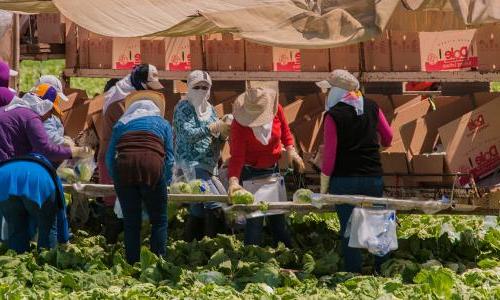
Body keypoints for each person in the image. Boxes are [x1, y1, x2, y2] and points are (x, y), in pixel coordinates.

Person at [317, 70, 393, 274]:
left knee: (349, 230)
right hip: (372, 177)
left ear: (336, 91)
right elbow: (388, 137)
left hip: (344, 181)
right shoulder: (372, 107)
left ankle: (354, 274)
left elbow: (330, 155)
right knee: (377, 225)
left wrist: (324, 184)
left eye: (329, 90)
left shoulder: (333, 115)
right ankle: (382, 270)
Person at [227, 87, 305, 247]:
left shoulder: (277, 111)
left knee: (278, 219)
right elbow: (237, 157)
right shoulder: (239, 125)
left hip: (272, 172)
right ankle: (250, 260)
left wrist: (291, 151)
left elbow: (286, 132)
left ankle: (288, 254)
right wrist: (233, 181)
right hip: (250, 173)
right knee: (255, 222)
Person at [106, 90, 174, 264]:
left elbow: (109, 157)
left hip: (124, 168)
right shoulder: (163, 123)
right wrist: (163, 181)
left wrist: (118, 179)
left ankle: (132, 264)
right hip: (152, 165)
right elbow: (169, 158)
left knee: (131, 221)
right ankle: (158, 262)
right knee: (159, 220)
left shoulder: (121, 124)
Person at [99, 64, 164, 243]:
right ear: (140, 85)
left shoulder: (129, 101)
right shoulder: (119, 105)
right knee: (114, 206)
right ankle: (110, 244)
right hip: (114, 160)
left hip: (125, 161)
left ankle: (122, 246)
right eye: (149, 87)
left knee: (125, 209)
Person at [173, 70, 230, 241]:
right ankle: (211, 243)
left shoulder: (210, 109)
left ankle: (190, 245)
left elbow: (216, 137)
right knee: (214, 203)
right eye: (196, 87)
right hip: (191, 167)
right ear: (189, 87)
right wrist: (211, 128)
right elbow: (187, 134)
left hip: (208, 166)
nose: (201, 90)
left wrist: (224, 133)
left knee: (199, 207)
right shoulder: (183, 108)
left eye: (205, 87)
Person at [0, 83, 90, 162]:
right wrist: (76, 151)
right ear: (45, 105)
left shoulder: (14, 109)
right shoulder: (31, 117)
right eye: (51, 111)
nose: (50, 116)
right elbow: (46, 150)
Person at [0, 153, 70, 253]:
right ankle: (46, 262)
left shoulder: (17, 161)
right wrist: (64, 239)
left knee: (16, 229)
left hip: (3, 177)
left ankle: (18, 260)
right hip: (38, 180)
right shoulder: (48, 170)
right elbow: (61, 208)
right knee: (47, 229)